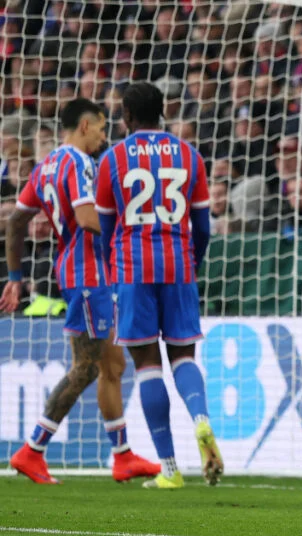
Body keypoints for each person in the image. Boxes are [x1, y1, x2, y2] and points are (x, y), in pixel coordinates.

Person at [1, 98, 160, 484]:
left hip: (80, 273)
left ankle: (122, 456)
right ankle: (32, 449)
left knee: (113, 365)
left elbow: (17, 221)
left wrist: (15, 274)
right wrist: (132, 233)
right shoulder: (78, 163)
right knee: (86, 367)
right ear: (86, 125)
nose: (105, 137)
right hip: (89, 276)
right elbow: (90, 220)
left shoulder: (47, 165)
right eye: (103, 128)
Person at [95, 82, 221, 489]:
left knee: (147, 365)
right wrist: (191, 262)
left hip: (133, 268)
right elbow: (202, 227)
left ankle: (169, 469)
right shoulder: (189, 155)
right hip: (179, 264)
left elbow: (106, 228)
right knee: (184, 358)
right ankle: (201, 421)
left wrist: (114, 266)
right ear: (163, 111)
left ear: (127, 116)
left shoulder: (113, 158)